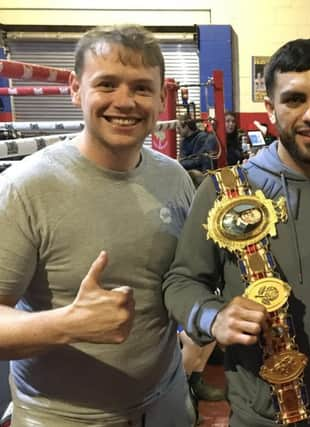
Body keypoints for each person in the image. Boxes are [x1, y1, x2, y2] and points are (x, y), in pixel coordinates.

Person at [163, 38, 310, 427]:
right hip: (258, 414)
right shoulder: (225, 191)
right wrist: (213, 317)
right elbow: (181, 281)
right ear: (270, 108)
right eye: (294, 100)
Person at [0, 24, 197, 426]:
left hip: (168, 404)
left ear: (161, 99)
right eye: (107, 84)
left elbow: (190, 275)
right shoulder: (25, 188)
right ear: (75, 89)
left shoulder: (174, 177)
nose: (125, 102)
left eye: (141, 88)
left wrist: (198, 339)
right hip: (64, 417)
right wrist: (67, 324)